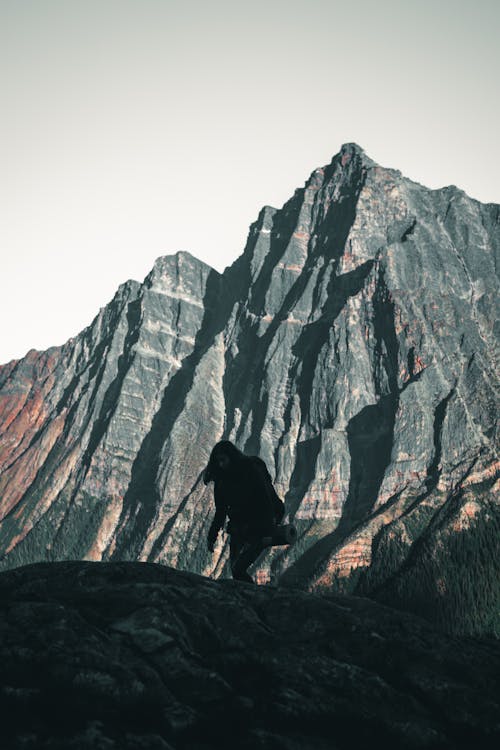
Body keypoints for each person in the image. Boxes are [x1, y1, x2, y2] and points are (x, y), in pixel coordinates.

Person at [203, 440, 285, 583]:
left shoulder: (250, 471)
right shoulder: (221, 480)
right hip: (240, 527)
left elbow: (265, 500)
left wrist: (268, 529)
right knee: (236, 571)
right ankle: (251, 599)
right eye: (218, 462)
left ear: (231, 457)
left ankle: (253, 601)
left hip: (259, 524)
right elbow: (220, 511)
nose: (221, 465)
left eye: (223, 460)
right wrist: (212, 536)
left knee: (238, 570)